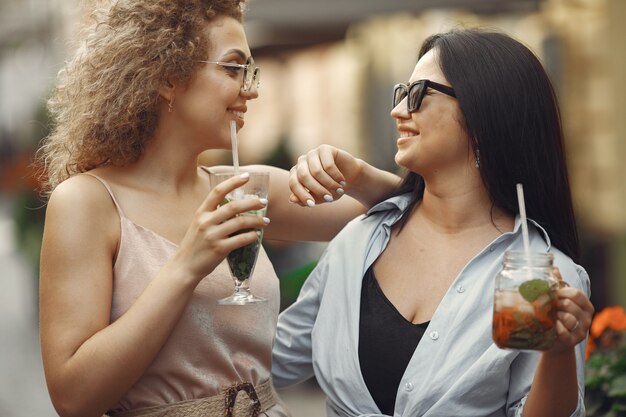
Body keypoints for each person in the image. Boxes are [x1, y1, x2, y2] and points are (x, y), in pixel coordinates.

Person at [36, 0, 400, 416]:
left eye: (251, 71)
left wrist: (359, 175)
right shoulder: (87, 201)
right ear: (168, 76)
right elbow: (73, 398)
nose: (252, 88)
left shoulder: (244, 187)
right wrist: (187, 265)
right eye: (232, 68)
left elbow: (407, 212)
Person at [272, 28, 594, 417]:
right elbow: (269, 361)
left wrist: (557, 353)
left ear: (484, 112)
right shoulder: (361, 240)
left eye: (420, 93)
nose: (398, 110)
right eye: (401, 93)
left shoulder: (537, 275)